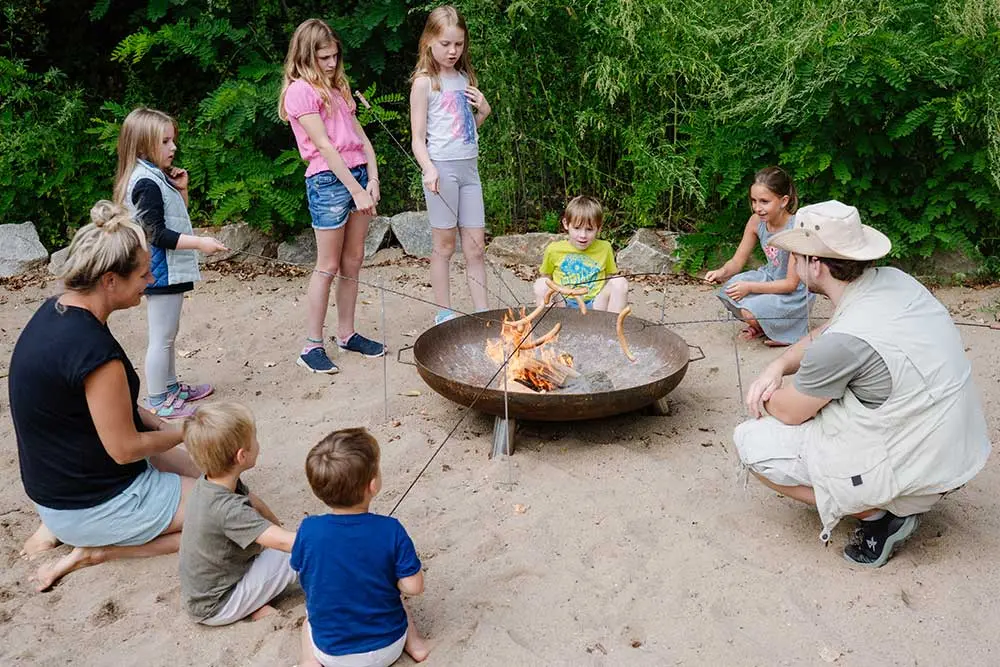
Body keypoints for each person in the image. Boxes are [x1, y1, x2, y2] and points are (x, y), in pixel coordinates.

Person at [735, 200, 991, 567]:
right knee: (832, 400)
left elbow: (791, 411)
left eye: (798, 256)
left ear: (817, 265)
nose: (793, 262)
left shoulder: (844, 343)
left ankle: (878, 518)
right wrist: (780, 363)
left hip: (923, 471)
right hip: (958, 451)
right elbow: (832, 329)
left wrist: (767, 394)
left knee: (752, 441)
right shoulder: (894, 281)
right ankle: (891, 497)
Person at [8, 201, 202, 591]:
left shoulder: (57, 311)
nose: (150, 281)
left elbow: (103, 409)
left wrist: (160, 424)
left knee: (215, 477)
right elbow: (125, 449)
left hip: (57, 489)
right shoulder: (94, 354)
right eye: (143, 275)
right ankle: (98, 550)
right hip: (94, 500)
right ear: (110, 280)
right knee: (226, 512)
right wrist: (185, 432)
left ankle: (64, 530)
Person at [279, 18, 386, 373]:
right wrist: (355, 191)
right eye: (323, 57)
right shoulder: (300, 91)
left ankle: (347, 333)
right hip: (328, 181)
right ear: (305, 56)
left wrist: (371, 179)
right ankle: (312, 346)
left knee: (352, 261)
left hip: (356, 175)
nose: (331, 63)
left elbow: (362, 139)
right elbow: (324, 145)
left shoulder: (339, 89)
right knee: (326, 265)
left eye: (335, 56)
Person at [115, 107, 228, 418]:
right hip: (160, 269)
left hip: (170, 267)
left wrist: (182, 190)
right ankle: (157, 399)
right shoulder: (145, 182)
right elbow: (158, 234)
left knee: (169, 332)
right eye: (165, 142)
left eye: (172, 140)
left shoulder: (157, 178)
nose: (173, 147)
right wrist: (201, 243)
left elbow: (175, 219)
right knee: (161, 336)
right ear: (142, 145)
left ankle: (170, 386)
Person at [294, 428, 430, 666]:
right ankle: (415, 644)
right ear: (373, 485)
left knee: (308, 621)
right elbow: (414, 587)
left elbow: (302, 573)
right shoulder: (392, 529)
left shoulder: (308, 530)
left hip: (333, 655)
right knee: (400, 603)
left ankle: (310, 662)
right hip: (389, 647)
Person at [179, 402, 298, 626]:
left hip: (209, 591)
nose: (258, 444)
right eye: (255, 440)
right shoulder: (227, 509)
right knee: (297, 557)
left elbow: (257, 504)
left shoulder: (211, 482)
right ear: (242, 456)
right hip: (218, 605)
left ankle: (254, 602)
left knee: (278, 550)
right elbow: (286, 544)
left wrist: (276, 528)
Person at [410, 5, 492, 325]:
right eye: (445, 44)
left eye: (458, 44)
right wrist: (429, 168)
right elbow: (417, 139)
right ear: (429, 41)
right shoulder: (424, 83)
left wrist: (483, 111)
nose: (453, 51)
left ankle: (484, 313)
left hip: (470, 171)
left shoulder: (464, 78)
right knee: (444, 246)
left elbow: (464, 129)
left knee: (476, 247)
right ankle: (444, 313)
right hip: (441, 172)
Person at [704, 167, 813, 346]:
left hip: (793, 293)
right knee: (730, 289)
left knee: (748, 308)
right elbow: (738, 261)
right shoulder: (756, 221)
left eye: (764, 201)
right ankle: (767, 326)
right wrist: (721, 272)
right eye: (754, 201)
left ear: (784, 201)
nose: (757, 208)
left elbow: (791, 284)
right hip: (769, 277)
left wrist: (749, 287)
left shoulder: (795, 229)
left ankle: (785, 333)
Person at [532, 196, 628, 312]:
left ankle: (611, 326)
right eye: (577, 228)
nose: (583, 235)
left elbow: (609, 278)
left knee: (620, 282)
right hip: (563, 303)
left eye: (589, 229)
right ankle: (548, 325)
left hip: (594, 304)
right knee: (541, 284)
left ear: (599, 228)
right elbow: (546, 277)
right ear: (566, 224)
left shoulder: (605, 248)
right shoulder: (553, 249)